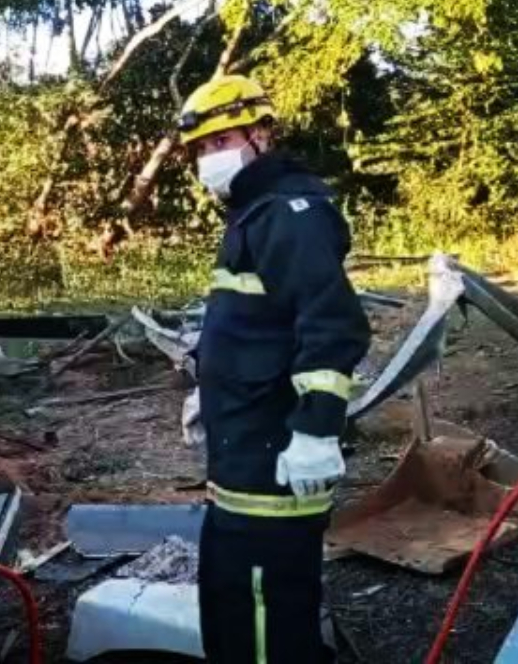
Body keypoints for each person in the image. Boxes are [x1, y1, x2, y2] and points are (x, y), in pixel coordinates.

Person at [177, 76, 371, 663]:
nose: (211, 158)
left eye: (223, 140)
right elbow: (258, 323)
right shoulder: (254, 212)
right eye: (202, 149)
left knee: (266, 628)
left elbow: (333, 325)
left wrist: (315, 430)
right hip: (242, 460)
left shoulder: (290, 212)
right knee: (236, 612)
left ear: (261, 134)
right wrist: (206, 378)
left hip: (275, 467)